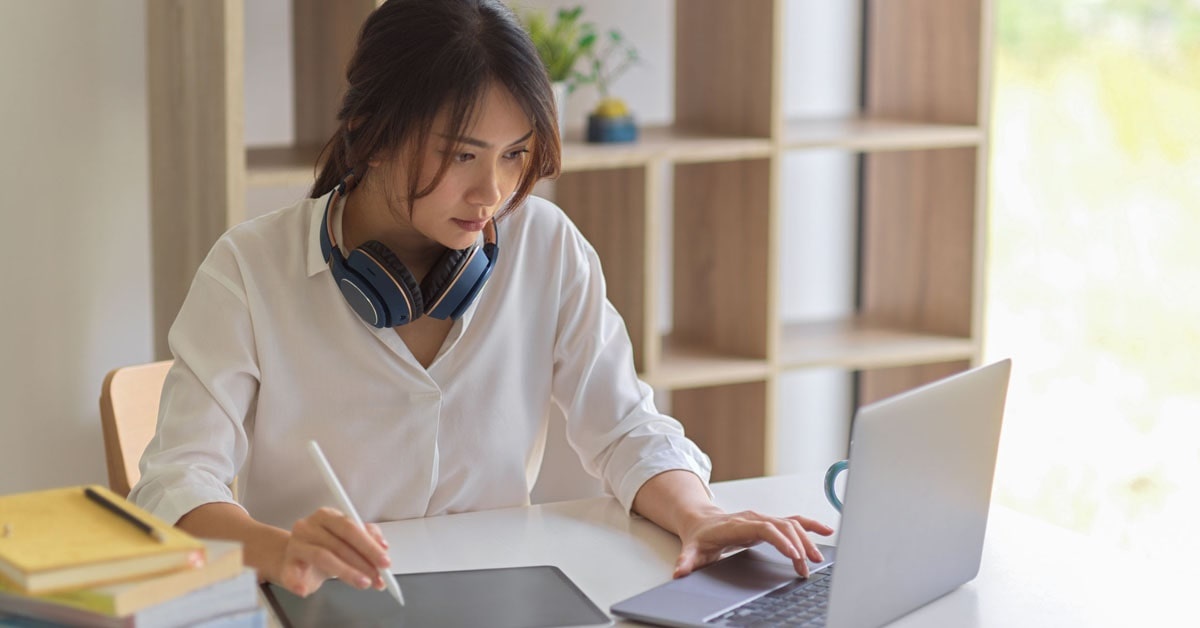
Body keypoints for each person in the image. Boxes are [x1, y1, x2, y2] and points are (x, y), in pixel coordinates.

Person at [129, 0, 832, 598]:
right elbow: (174, 485)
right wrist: (277, 549)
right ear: (372, 136)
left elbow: (624, 427)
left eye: (514, 155)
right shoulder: (248, 272)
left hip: (496, 597)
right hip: (322, 604)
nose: (492, 192)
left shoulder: (545, 245)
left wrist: (698, 513)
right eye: (462, 155)